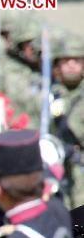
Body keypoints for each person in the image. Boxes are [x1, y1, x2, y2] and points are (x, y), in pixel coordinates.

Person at [49, 31, 84, 208]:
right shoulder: (47, 93)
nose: (71, 65)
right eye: (66, 60)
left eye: (77, 60)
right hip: (55, 169)